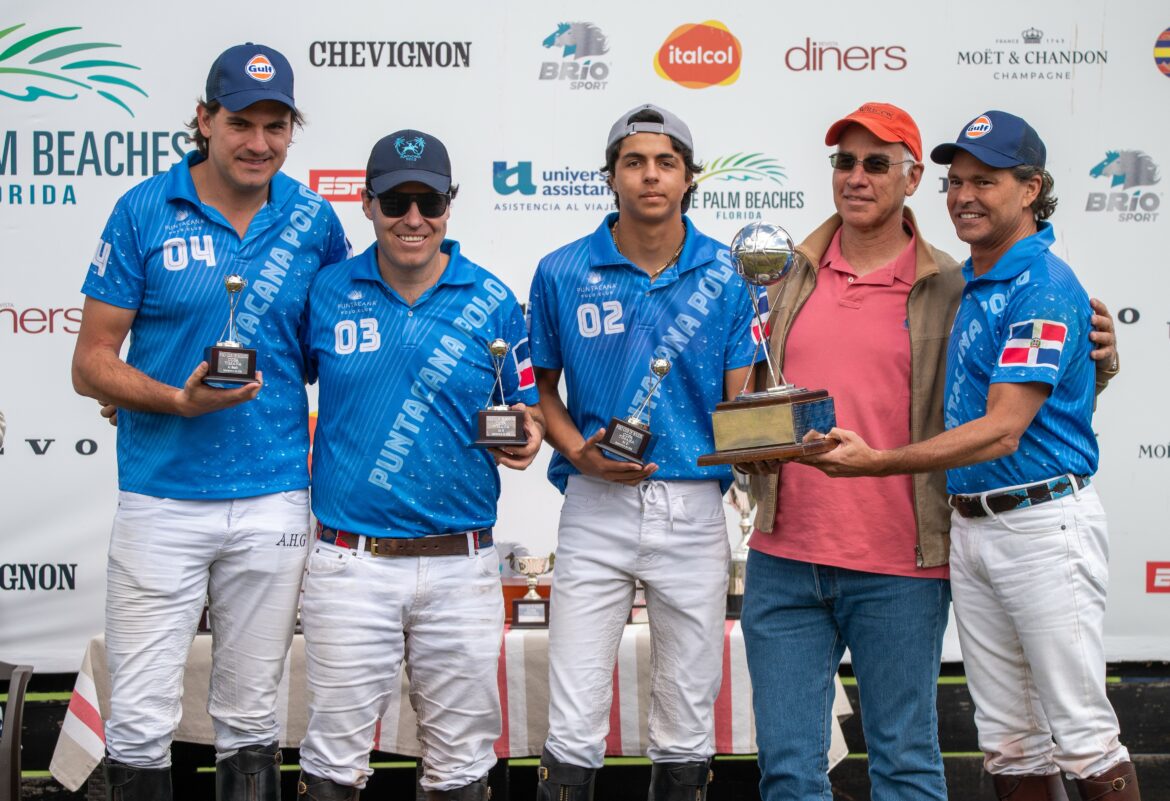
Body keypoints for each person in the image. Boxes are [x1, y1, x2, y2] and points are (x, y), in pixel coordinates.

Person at [738, 103, 1121, 801]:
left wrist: (1101, 360)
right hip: (788, 555)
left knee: (911, 763)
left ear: (911, 178)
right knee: (792, 770)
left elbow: (1011, 414)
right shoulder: (785, 272)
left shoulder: (958, 282)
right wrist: (751, 448)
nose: (857, 176)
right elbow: (749, 384)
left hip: (903, 558)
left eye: (877, 162)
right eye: (845, 162)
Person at [71, 44, 349, 801]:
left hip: (274, 497)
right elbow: (91, 359)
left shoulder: (316, 221)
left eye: (276, 124)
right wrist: (171, 398)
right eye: (241, 123)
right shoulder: (143, 209)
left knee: (252, 716)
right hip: (160, 497)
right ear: (204, 120)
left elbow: (345, 353)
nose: (259, 142)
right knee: (135, 717)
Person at [294, 129, 544, 801]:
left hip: (460, 564)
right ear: (368, 205)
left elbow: (527, 408)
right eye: (396, 201)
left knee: (462, 765)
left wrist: (527, 435)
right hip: (352, 562)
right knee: (332, 762)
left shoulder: (491, 298)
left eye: (428, 201)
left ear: (449, 205)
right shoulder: (325, 291)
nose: (413, 219)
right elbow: (268, 383)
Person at [527, 104, 761, 801]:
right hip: (595, 501)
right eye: (634, 161)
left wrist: (761, 441)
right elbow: (539, 383)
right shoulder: (561, 270)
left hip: (692, 501)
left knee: (688, 710)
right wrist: (578, 451)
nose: (650, 175)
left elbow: (739, 399)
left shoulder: (729, 271)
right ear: (611, 176)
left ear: (690, 177)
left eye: (665, 162)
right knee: (572, 710)